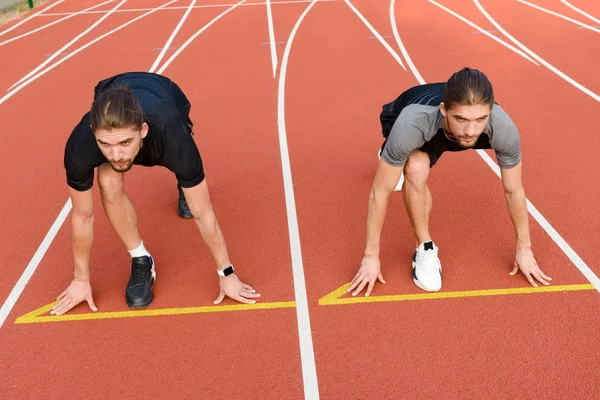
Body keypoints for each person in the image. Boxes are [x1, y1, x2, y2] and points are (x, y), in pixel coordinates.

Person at [51, 71, 260, 315]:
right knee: (107, 179)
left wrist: (227, 274)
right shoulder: (81, 145)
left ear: (143, 130)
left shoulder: (172, 136)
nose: (115, 155)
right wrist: (80, 279)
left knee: (190, 188)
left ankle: (184, 184)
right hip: (110, 90)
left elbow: (203, 213)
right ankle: (141, 259)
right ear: (93, 132)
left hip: (165, 94)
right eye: (105, 144)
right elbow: (82, 215)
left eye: (124, 143)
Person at [348, 67, 552, 296]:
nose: (470, 131)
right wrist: (370, 256)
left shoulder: (502, 129)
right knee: (414, 169)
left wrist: (524, 249)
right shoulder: (412, 123)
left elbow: (514, 191)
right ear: (444, 110)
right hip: (414, 121)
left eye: (481, 119)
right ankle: (424, 246)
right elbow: (379, 192)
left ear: (491, 111)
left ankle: (395, 156)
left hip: (434, 130)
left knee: (407, 161)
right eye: (461, 119)